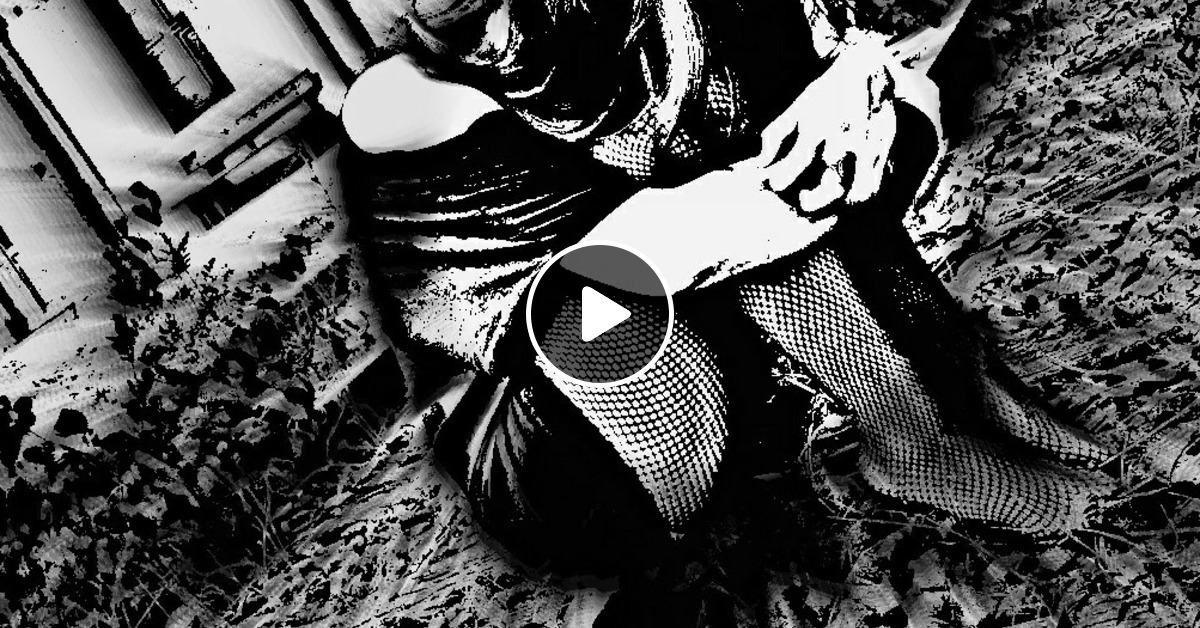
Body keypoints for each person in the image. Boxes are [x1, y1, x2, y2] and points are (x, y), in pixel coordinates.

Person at [338, 0, 1113, 577]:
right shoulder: (402, 99)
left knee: (788, 157)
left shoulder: (629, 30)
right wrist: (773, 171)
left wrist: (849, 74)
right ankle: (912, 439)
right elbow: (591, 284)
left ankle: (940, 406)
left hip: (712, 369)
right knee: (686, 234)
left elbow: (859, 99)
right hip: (560, 445)